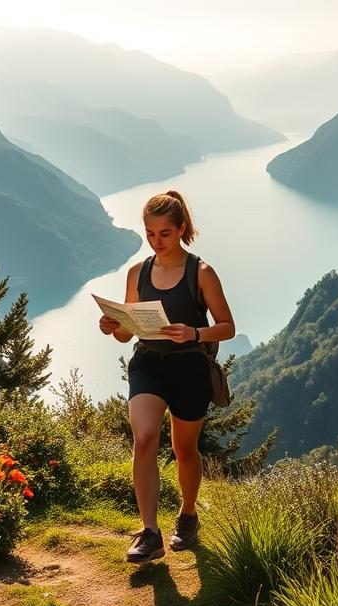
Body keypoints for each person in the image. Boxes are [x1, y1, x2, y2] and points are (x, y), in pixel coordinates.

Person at [98, 191, 235, 563]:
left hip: (189, 368)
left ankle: (188, 516)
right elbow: (129, 330)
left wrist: (194, 333)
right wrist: (115, 326)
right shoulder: (137, 272)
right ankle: (150, 533)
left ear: (182, 230)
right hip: (148, 364)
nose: (157, 241)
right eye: (150, 233)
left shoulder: (201, 272)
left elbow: (227, 327)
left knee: (184, 450)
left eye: (165, 233)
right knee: (144, 439)